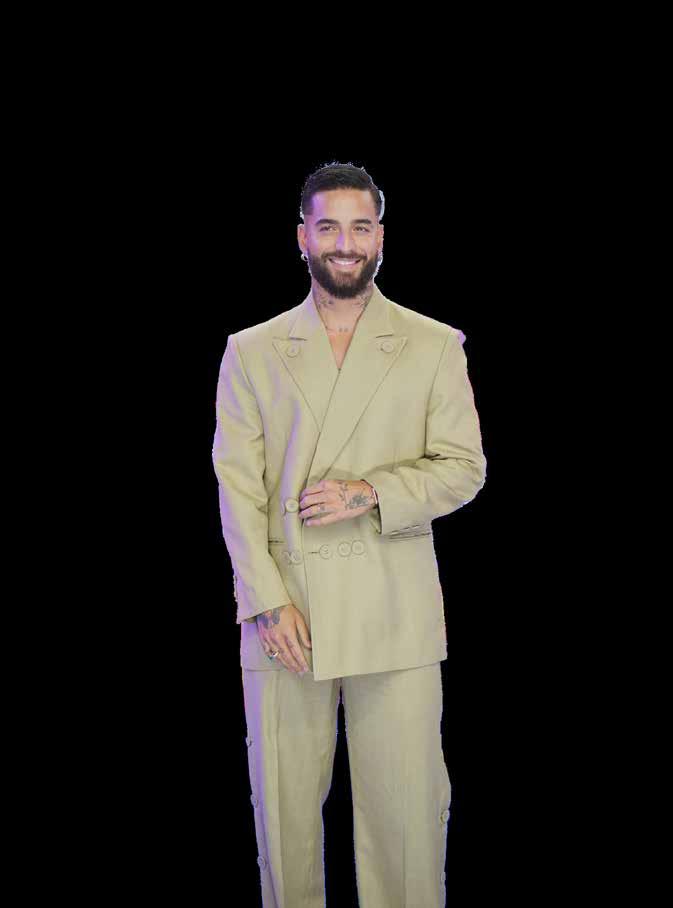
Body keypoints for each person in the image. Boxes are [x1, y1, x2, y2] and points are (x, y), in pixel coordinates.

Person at [212, 161, 486, 907]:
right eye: (328, 226)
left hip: (393, 609)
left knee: (408, 820)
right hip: (285, 615)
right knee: (285, 820)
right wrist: (266, 602)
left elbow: (464, 467)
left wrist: (371, 493)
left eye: (360, 227)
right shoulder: (252, 350)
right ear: (301, 237)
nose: (345, 242)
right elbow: (237, 488)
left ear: (380, 238)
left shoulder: (433, 344)